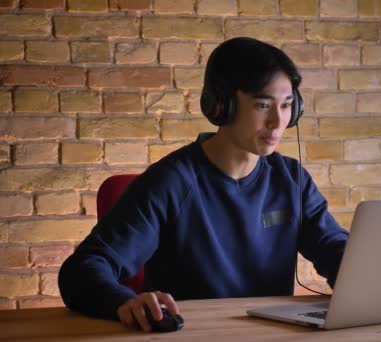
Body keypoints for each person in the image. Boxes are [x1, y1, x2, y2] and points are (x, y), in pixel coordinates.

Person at [58, 37, 349, 332]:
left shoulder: (290, 178)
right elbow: (83, 269)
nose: (278, 122)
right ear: (222, 106)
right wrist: (123, 301)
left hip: (272, 335)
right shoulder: (171, 181)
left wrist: (373, 275)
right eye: (263, 105)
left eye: (287, 106)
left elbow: (333, 248)